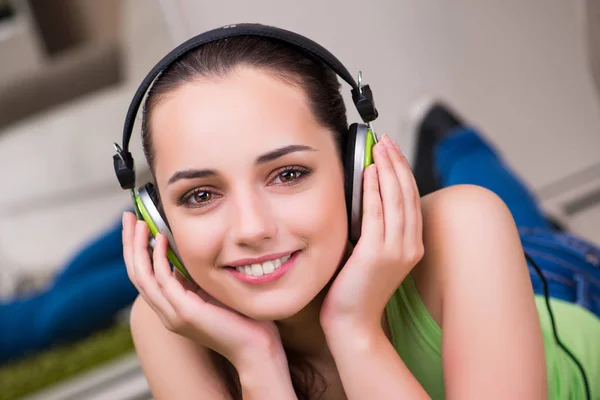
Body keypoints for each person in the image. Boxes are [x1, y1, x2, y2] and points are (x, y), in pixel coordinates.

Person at [121, 23, 599, 399]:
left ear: (354, 168)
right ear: (157, 214)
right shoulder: (169, 324)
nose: (251, 228)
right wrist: (256, 363)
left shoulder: (466, 228)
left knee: (511, 216)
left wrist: (355, 331)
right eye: (201, 195)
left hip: (561, 290)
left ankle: (451, 139)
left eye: (288, 174)